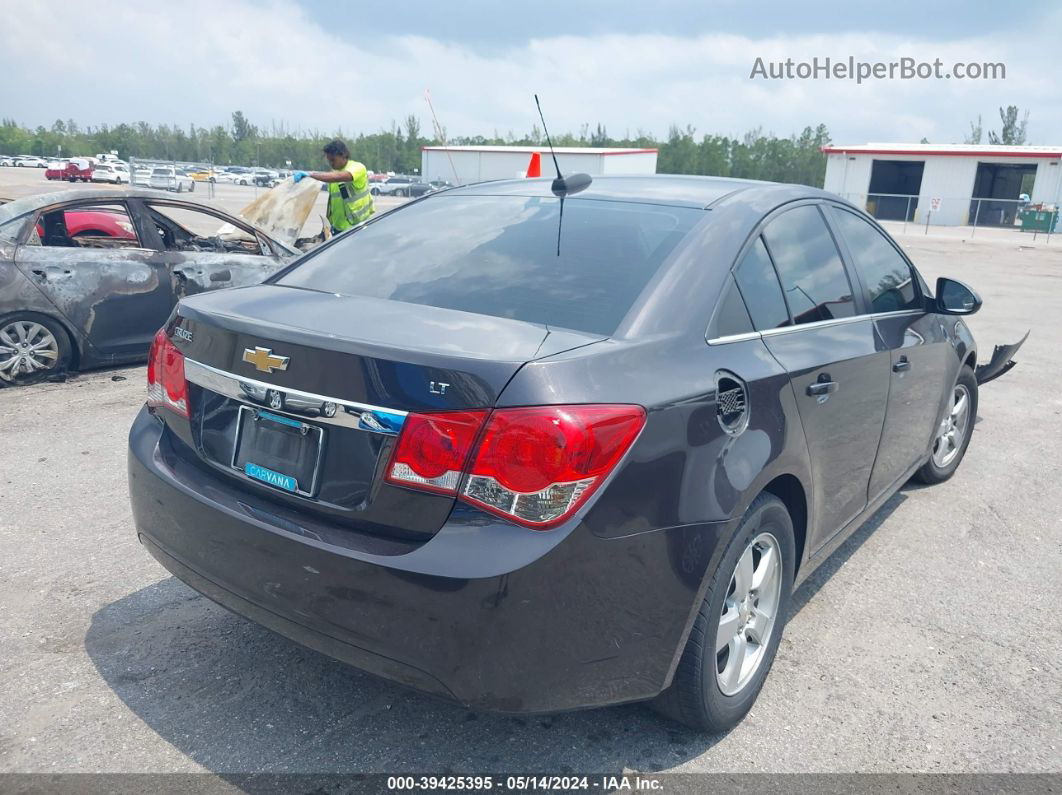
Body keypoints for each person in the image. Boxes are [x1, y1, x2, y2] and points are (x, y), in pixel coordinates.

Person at [293, 139, 374, 233]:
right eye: (328, 160)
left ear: (343, 155)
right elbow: (332, 203)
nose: (330, 163)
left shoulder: (357, 168)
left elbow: (340, 177)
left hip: (357, 229)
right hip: (338, 230)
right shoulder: (333, 174)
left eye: (333, 160)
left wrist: (311, 175)